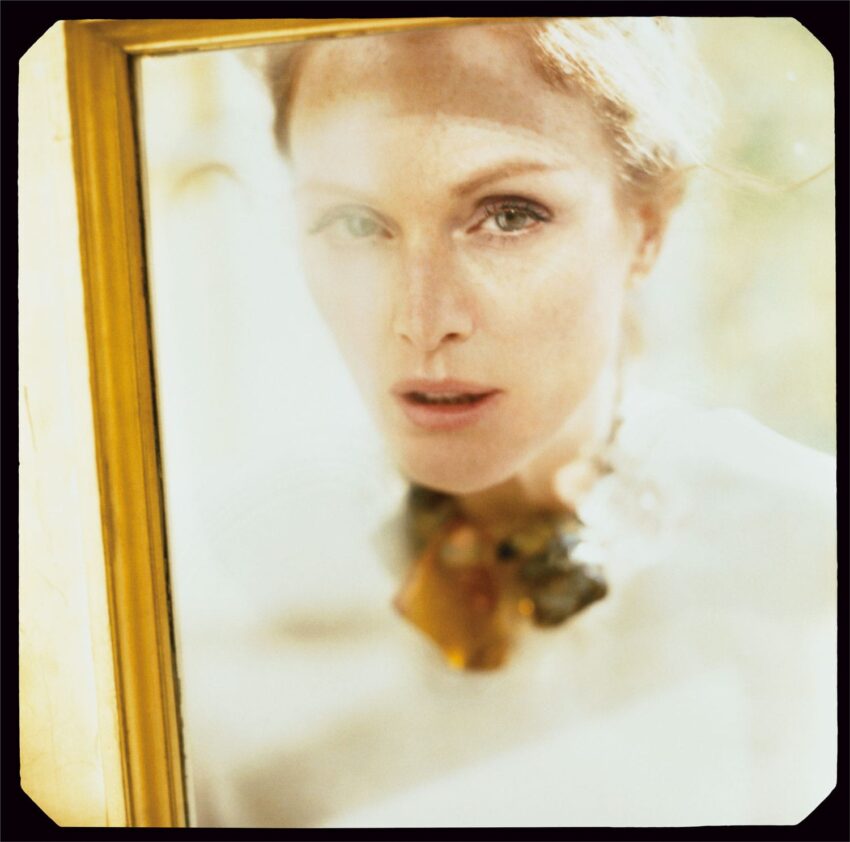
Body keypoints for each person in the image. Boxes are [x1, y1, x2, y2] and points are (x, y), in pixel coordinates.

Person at [184, 18, 836, 827]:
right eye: (354, 222)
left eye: (509, 215)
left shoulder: (808, 551)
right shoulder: (201, 590)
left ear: (648, 228)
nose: (422, 322)